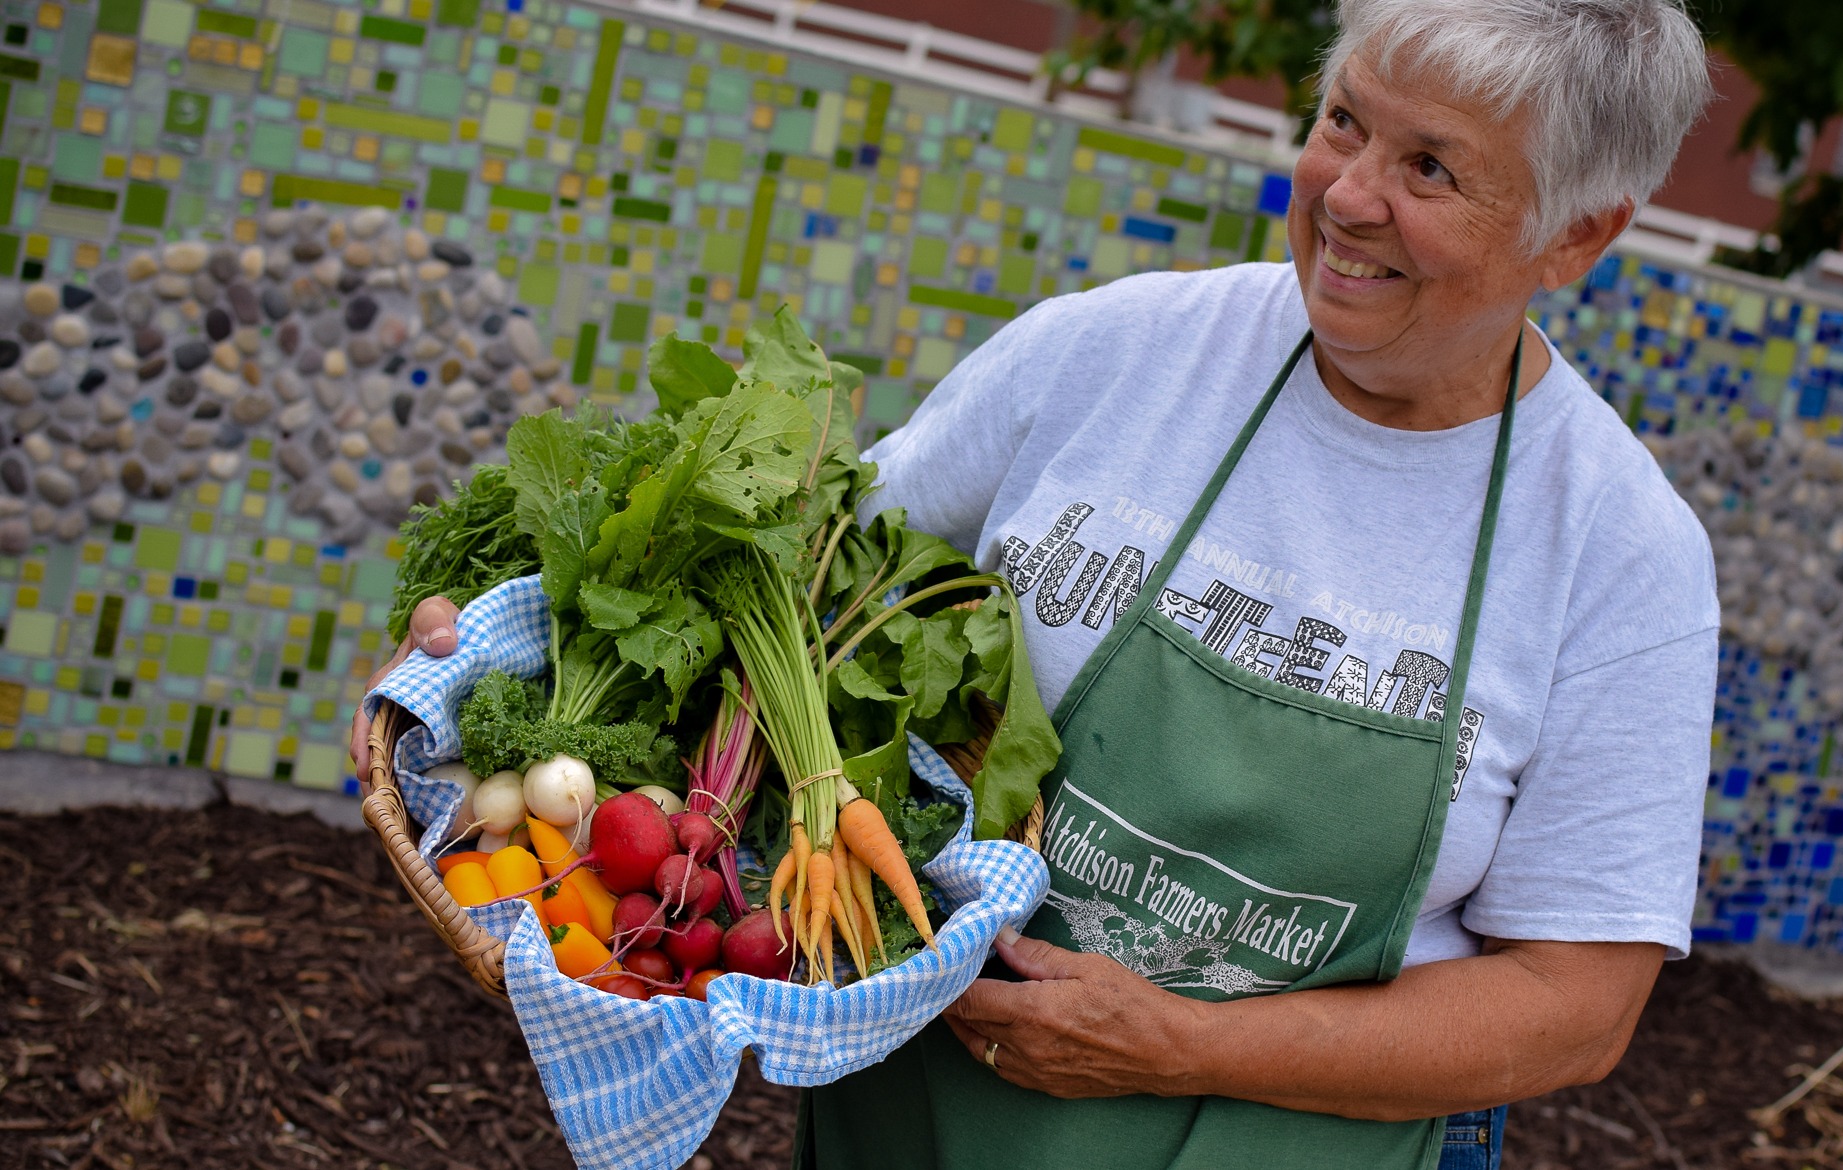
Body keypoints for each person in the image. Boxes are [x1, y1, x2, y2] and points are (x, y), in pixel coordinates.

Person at [356, 1, 1717, 1165]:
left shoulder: (1617, 552)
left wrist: (1179, 1043)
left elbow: (1576, 1004)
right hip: (936, 1115)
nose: (1350, 196)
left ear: (1573, 238)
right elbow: (783, 573)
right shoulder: (1113, 355)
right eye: (1345, 122)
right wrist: (505, 656)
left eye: (1430, 167)